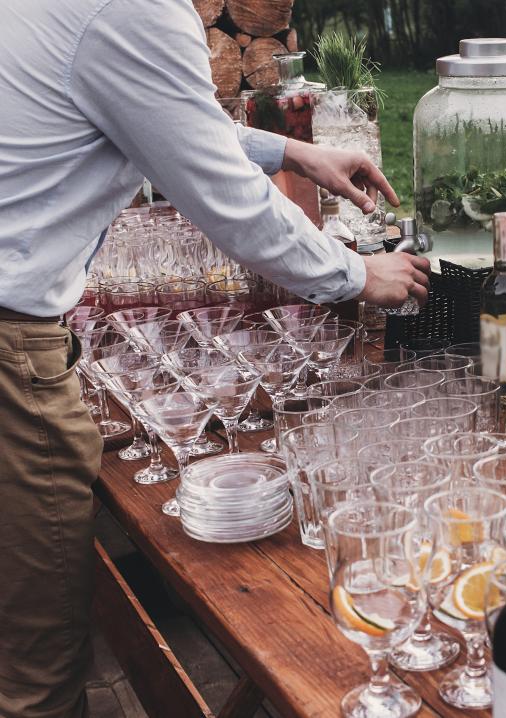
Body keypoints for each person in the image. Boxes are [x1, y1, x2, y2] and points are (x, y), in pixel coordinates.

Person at [0, 0, 430, 715]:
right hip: (12, 348)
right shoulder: (132, 9)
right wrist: (358, 275)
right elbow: (225, 200)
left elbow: (160, 115)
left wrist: (291, 151)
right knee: (36, 675)